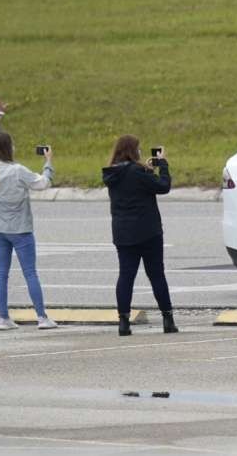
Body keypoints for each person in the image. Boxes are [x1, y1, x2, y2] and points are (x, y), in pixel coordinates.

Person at [0, 97, 57, 331]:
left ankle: (4, 318)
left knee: (1, 272)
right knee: (30, 272)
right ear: (8, 149)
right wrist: (48, 162)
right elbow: (43, 183)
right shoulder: (18, 171)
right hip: (21, 229)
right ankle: (42, 317)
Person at [102, 136, 177, 337]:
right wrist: (163, 165)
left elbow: (132, 182)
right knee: (156, 275)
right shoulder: (138, 172)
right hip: (148, 231)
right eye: (139, 149)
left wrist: (146, 169)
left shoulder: (112, 173)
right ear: (132, 151)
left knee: (126, 276)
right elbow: (163, 186)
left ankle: (124, 322)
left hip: (123, 232)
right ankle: (167, 318)